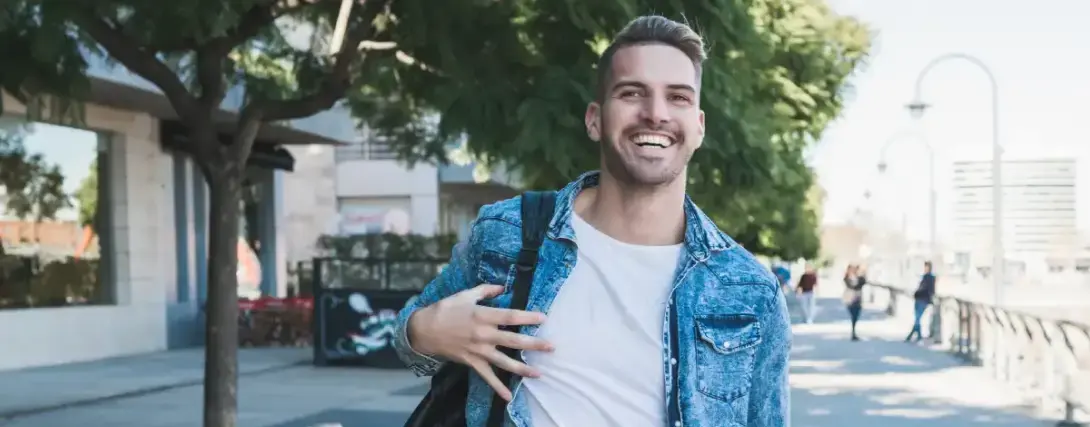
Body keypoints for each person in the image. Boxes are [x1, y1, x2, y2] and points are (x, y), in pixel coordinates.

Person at [393, 15, 791, 427]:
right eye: (632, 92)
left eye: (678, 97)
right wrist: (426, 331)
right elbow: (409, 333)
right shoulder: (509, 232)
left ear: (699, 126)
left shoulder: (748, 289)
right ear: (595, 119)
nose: (655, 113)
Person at [905, 261, 936, 342]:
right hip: (919, 298)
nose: (926, 269)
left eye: (927, 267)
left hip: (923, 299)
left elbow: (930, 290)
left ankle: (913, 334)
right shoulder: (924, 277)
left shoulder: (930, 278)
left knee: (918, 317)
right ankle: (917, 334)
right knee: (917, 317)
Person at [842, 264, 866, 341]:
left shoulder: (860, 278)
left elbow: (863, 282)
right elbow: (852, 286)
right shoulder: (847, 278)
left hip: (858, 299)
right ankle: (853, 332)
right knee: (853, 315)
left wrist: (862, 273)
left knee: (856, 315)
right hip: (850, 299)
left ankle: (854, 332)